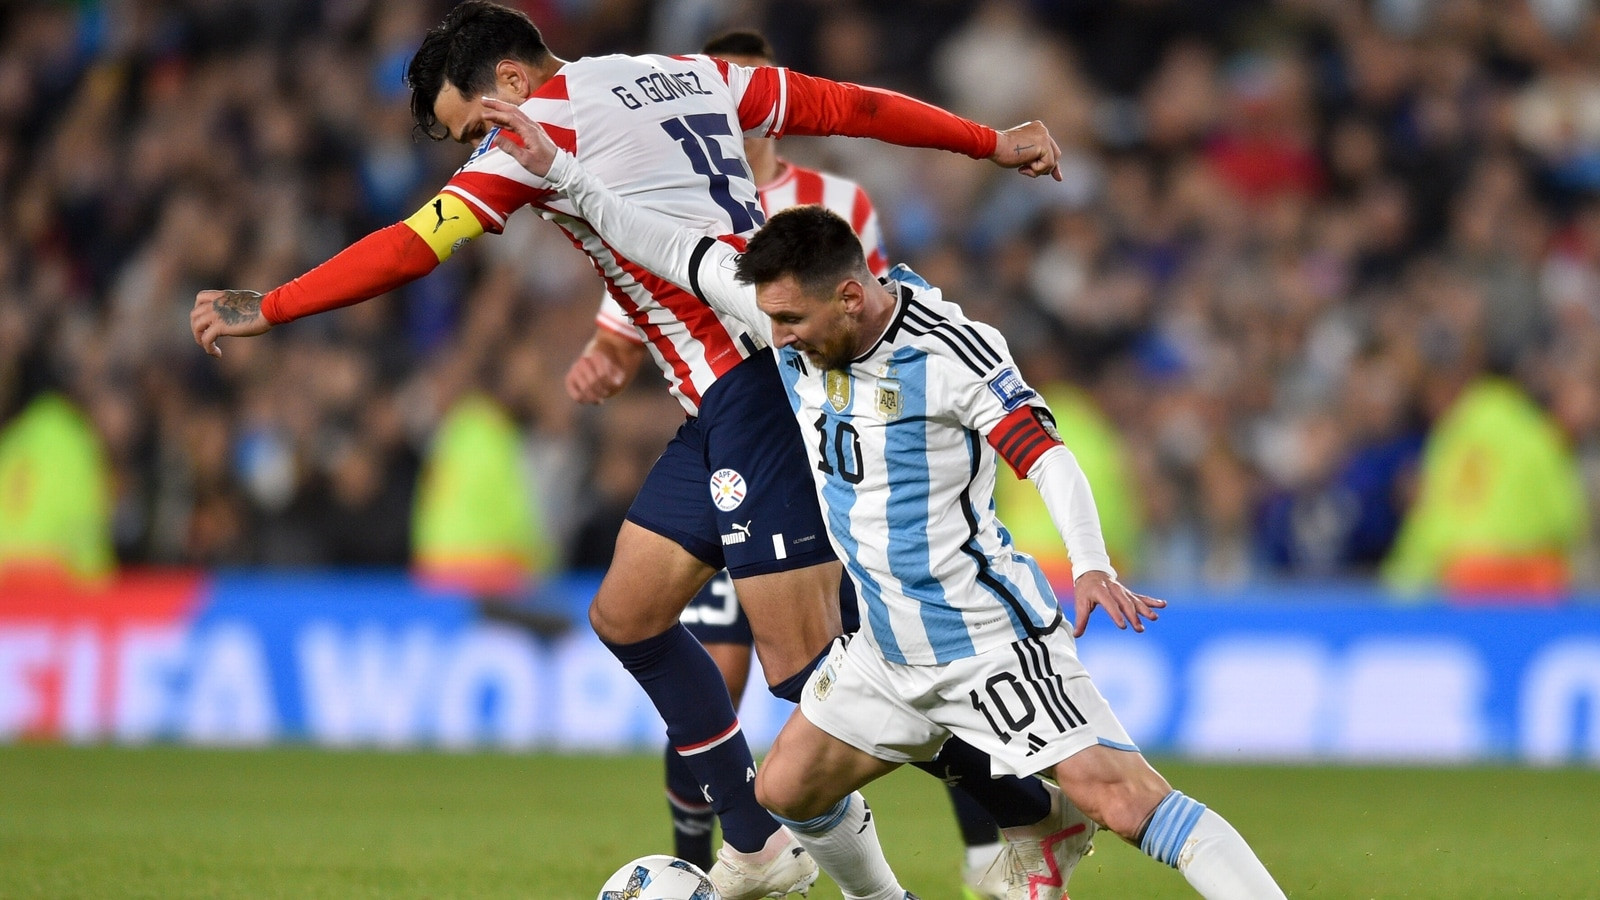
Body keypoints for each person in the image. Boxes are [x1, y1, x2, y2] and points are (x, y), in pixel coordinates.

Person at [188, 4, 1072, 898]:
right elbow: (848, 107)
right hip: (724, 398)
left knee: (804, 667)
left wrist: (271, 306)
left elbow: (415, 246)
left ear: (509, 82)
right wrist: (988, 142)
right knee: (628, 614)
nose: (476, 151)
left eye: (472, 129)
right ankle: (761, 845)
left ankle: (1029, 801)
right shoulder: (690, 72)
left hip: (754, 388)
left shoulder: (537, 131)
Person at [483, 97, 1288, 900]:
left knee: (1125, 801)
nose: (780, 339)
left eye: (794, 321)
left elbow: (1046, 459)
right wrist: (559, 173)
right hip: (883, 653)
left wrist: (1089, 563)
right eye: (773, 319)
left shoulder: (949, 354)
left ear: (853, 297)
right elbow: (663, 245)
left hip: (984, 639)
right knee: (785, 790)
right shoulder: (785, 310)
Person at [615, 29, 1009, 900]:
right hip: (710, 428)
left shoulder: (828, 205)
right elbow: (651, 283)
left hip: (790, 429)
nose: (745, 119)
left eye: (758, 103)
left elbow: (856, 313)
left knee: (811, 672)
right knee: (658, 630)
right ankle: (747, 847)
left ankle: (1004, 805)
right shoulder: (682, 195)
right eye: (732, 102)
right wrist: (609, 345)